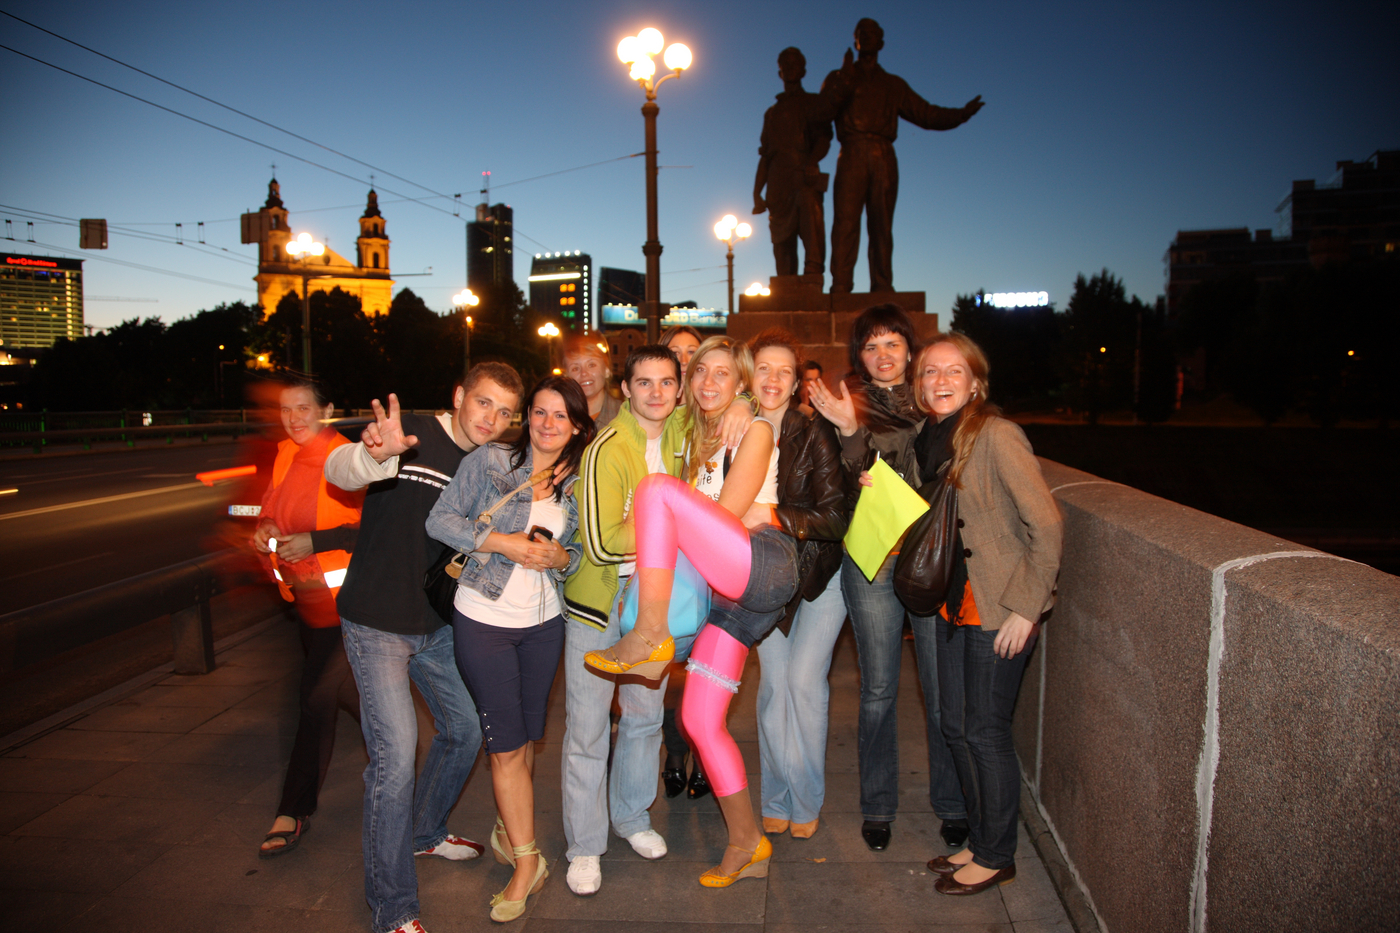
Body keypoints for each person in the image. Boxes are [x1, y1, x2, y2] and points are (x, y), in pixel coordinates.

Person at [584, 335, 792, 889]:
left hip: (759, 561)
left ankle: (650, 638)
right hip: (730, 600)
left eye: (723, 374)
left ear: (740, 383)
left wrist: (750, 409)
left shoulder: (755, 427)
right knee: (699, 721)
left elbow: (724, 515)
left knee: (656, 491)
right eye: (700, 373)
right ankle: (748, 840)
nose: (709, 383)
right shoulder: (694, 434)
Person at [324, 362, 524, 933]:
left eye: (505, 411)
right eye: (484, 403)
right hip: (376, 622)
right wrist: (373, 455)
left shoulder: (488, 465)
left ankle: (423, 834)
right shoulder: (406, 430)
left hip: (438, 625)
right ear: (459, 395)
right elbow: (341, 469)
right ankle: (393, 909)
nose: (493, 419)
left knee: (465, 731)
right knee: (394, 760)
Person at [895, 334, 1062, 895]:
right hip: (950, 603)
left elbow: (1048, 525)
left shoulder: (996, 434)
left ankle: (997, 854)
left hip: (996, 605)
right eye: (929, 372)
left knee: (985, 732)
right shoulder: (929, 435)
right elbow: (939, 514)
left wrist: (1026, 609)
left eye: (952, 372)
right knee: (954, 726)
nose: (939, 381)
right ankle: (980, 838)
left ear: (975, 382)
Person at [425, 375, 592, 921]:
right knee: (503, 746)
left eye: (560, 416)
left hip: (545, 625)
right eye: (539, 412)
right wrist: (503, 542)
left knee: (523, 743)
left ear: (576, 426)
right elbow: (441, 519)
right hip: (484, 617)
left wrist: (559, 559)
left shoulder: (579, 478)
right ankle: (527, 861)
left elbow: (580, 552)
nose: (547, 424)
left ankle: (508, 820)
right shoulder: (493, 461)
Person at [806, 304, 967, 853]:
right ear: (860, 355)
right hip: (871, 558)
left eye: (892, 343)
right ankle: (877, 805)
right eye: (871, 345)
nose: (882, 355)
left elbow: (929, 474)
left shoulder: (934, 403)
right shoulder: (841, 405)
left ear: (909, 349)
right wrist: (851, 430)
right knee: (877, 689)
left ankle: (952, 802)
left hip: (927, 555)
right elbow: (849, 487)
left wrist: (862, 443)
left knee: (940, 689)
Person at [252, 376, 363, 858]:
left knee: (314, 700)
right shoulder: (284, 453)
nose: (294, 418)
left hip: (346, 605)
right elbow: (274, 509)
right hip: (307, 602)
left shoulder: (345, 457)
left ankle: (293, 810)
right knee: (355, 698)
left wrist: (317, 542)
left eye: (303, 408)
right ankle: (409, 755)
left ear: (328, 409)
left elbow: (370, 528)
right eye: (286, 410)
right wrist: (265, 529)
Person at [747, 331, 848, 841]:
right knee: (772, 690)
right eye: (763, 367)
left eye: (783, 371)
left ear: (797, 383)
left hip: (818, 576)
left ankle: (806, 798)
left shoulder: (814, 433)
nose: (771, 379)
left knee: (804, 684)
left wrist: (770, 514)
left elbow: (834, 517)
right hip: (765, 579)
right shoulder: (733, 429)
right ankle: (776, 797)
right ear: (750, 372)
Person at [820, 18, 984, 294]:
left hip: (883, 154)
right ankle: (841, 286)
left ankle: (882, 286)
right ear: (855, 40)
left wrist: (960, 115)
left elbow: (926, 113)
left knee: (881, 226)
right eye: (863, 34)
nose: (868, 38)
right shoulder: (840, 77)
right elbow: (822, 114)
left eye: (873, 34)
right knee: (845, 223)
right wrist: (843, 84)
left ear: (881, 42)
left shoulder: (892, 84)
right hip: (851, 152)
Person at [753, 47, 834, 276]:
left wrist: (811, 162)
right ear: (780, 73)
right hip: (778, 181)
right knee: (782, 243)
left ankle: (813, 277)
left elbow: (824, 139)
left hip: (804, 176)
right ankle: (785, 286)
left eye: (794, 64)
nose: (789, 69)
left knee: (811, 230)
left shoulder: (813, 102)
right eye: (784, 65)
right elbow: (765, 157)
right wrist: (756, 192)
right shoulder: (772, 113)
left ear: (803, 70)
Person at [564, 335, 621, 428]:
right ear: (567, 377)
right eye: (575, 368)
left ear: (607, 370)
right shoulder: (559, 418)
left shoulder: (627, 416)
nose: (584, 373)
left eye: (592, 365)